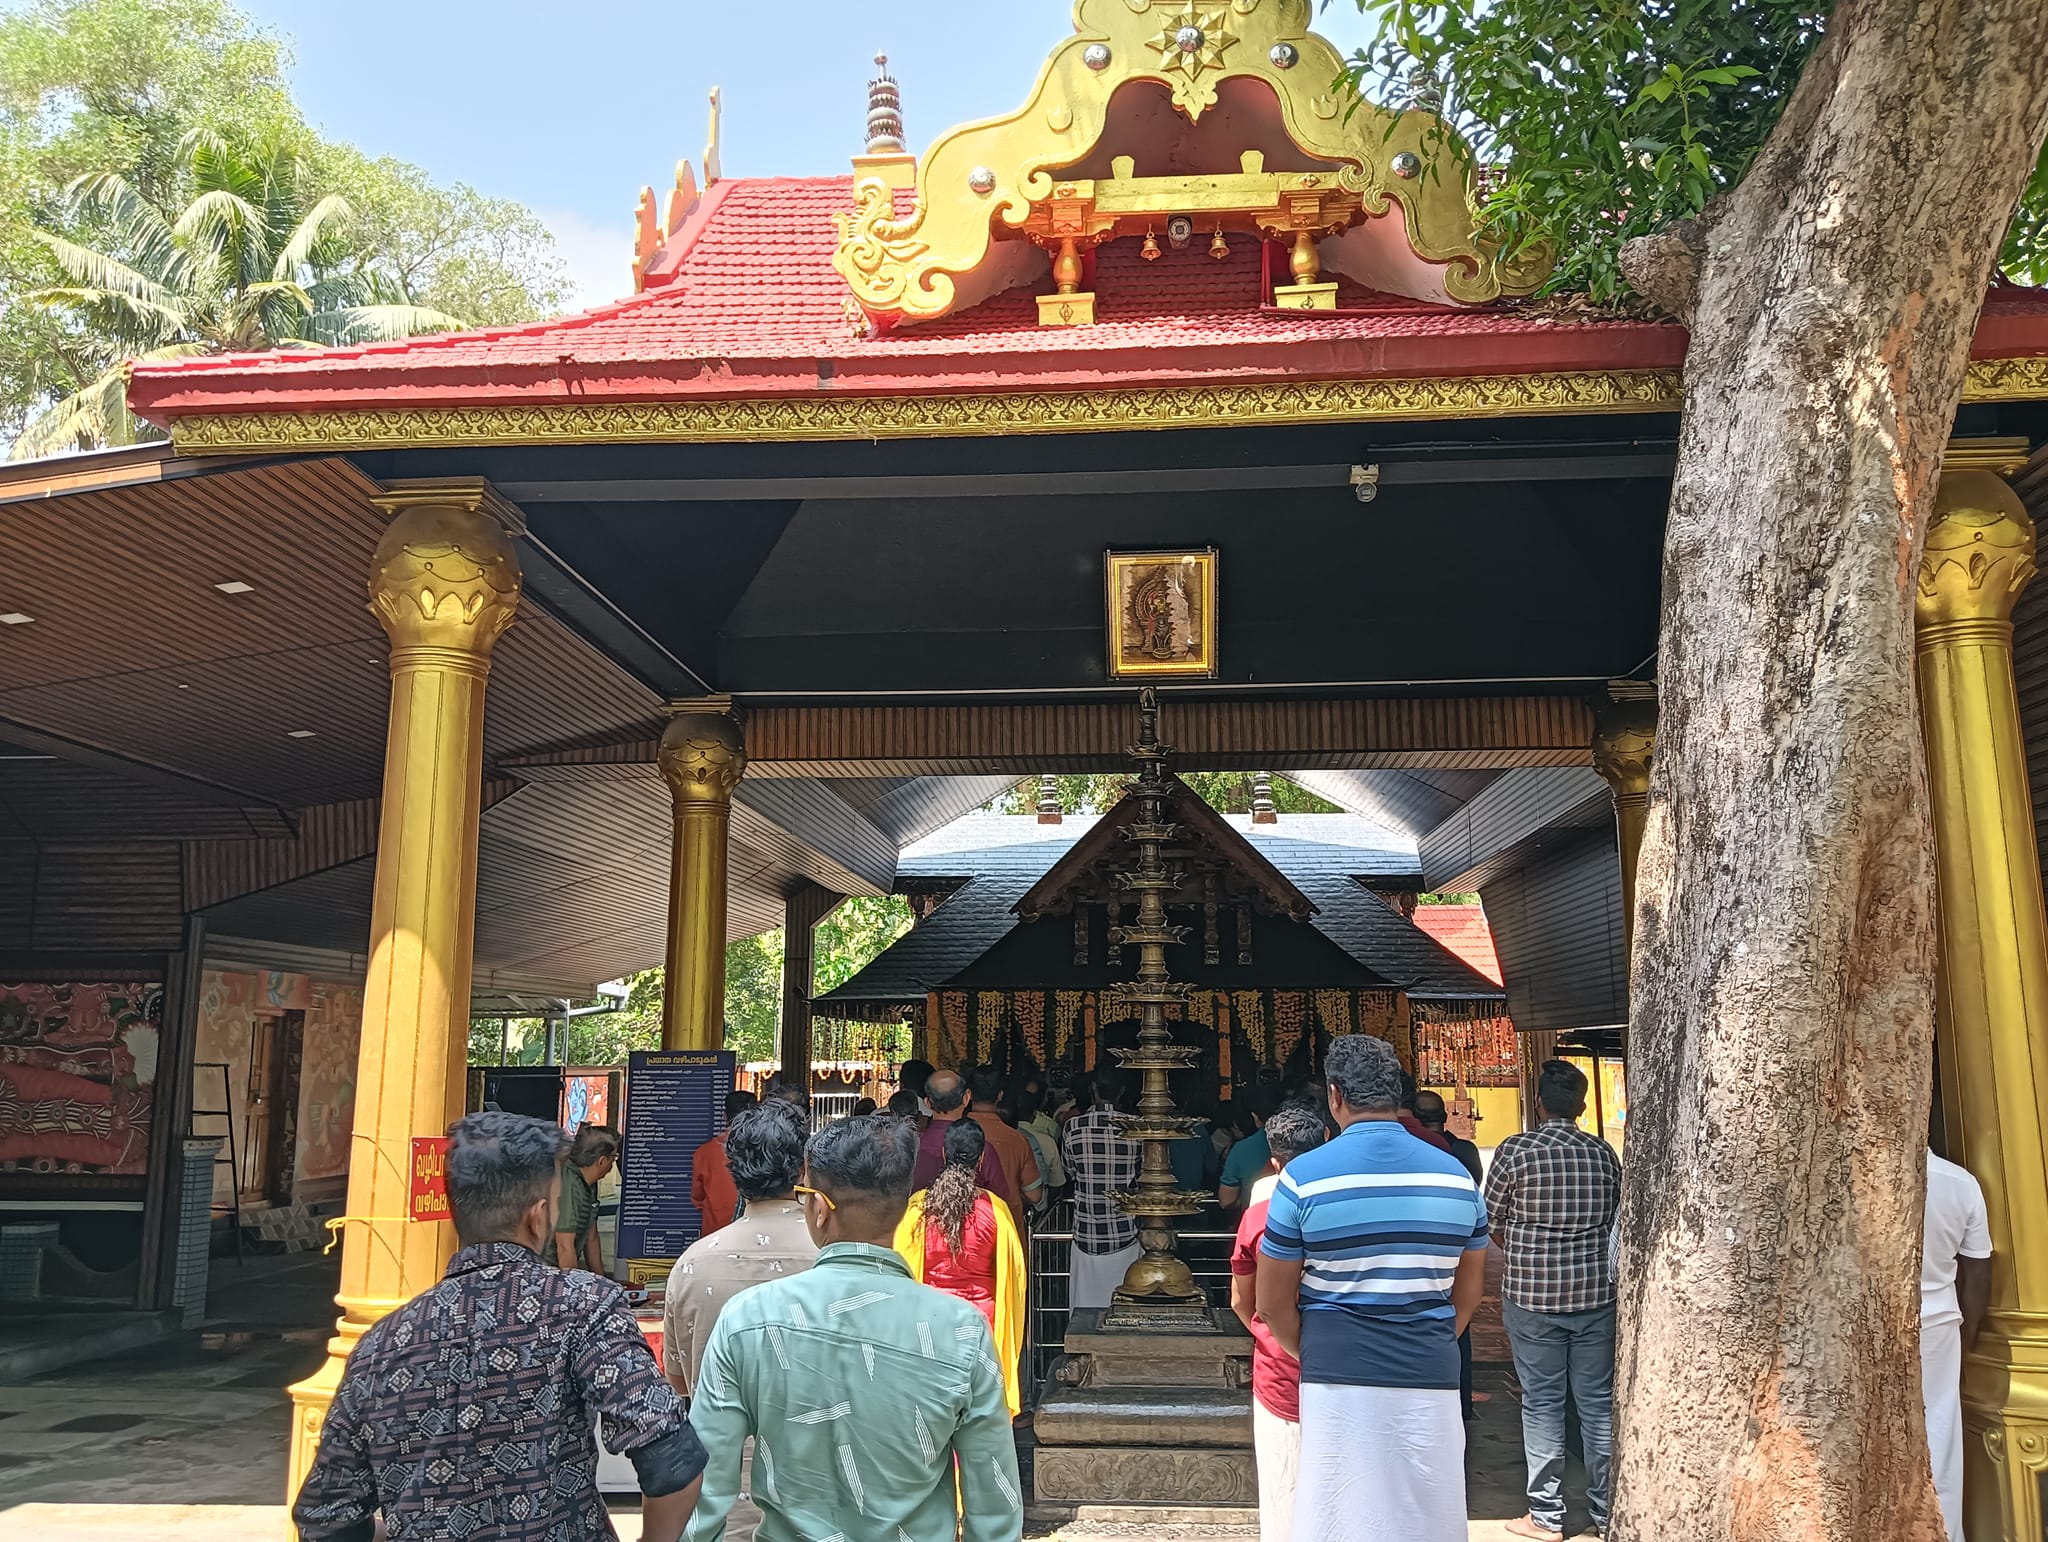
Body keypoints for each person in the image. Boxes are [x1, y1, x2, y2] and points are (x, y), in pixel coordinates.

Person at [295, 1111, 705, 1542]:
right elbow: (672, 1460)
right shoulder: (583, 1307)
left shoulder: (380, 1345)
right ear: (538, 1216)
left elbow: (326, 1519)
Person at [685, 1114, 1024, 1542]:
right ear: (903, 1206)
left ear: (820, 1208)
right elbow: (993, 1502)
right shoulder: (961, 1330)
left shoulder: (747, 1319)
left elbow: (703, 1485)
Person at [1256, 1036, 1487, 1542]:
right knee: (1424, 1510)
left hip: (1335, 1369)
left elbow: (1271, 1304)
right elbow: (1468, 1295)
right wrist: (1428, 1335)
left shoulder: (1301, 1180)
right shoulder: (1458, 1178)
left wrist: (1314, 1348)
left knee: (1339, 1511)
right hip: (1430, 1365)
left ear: (1334, 1096)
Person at [661, 1099, 817, 1542]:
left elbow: (680, 1382)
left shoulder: (692, 1266)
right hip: (819, 1496)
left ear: (733, 1171)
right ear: (803, 1167)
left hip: (717, 1497)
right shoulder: (831, 1261)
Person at [1483, 1059, 1624, 1541]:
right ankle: (1608, 1513)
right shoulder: (1604, 1155)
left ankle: (1546, 1517)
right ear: (1582, 1105)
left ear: (1538, 1103)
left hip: (1532, 1298)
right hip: (1595, 1297)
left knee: (1541, 1404)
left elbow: (1491, 1220)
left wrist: (1527, 1253)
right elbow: (1614, 1226)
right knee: (1598, 1404)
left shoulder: (1515, 1151)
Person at [1229, 1101, 1327, 1542]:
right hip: (1349, 1366)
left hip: (1279, 1374)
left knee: (1283, 1489)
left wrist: (1273, 1337)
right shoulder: (1348, 1207)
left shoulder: (1258, 1214)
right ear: (1326, 1141)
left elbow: (1242, 1302)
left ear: (1273, 1162)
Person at [894, 1117, 1027, 1415]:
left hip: (930, 1323)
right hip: (984, 1324)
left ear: (943, 1154)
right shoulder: (995, 1209)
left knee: (934, 1413)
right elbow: (1014, 1275)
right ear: (981, 1158)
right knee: (978, 1416)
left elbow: (898, 1269)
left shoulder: (918, 1207)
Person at [1922, 1148, 1992, 1542]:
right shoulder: (1959, 1182)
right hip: (1938, 1323)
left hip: (1864, 1324)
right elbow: (1979, 1269)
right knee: (1941, 1433)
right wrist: (1969, 1339)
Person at [1414, 1088, 1487, 1420]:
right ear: (1445, 1118)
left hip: (1422, 1248)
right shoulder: (1464, 1151)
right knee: (1459, 1323)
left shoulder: (1416, 1150)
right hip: (1457, 1244)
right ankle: (1461, 1402)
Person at [1062, 1066, 1142, 1310]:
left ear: (1092, 1090)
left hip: (1086, 1232)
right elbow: (1144, 1175)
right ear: (1122, 1092)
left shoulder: (1073, 1127)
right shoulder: (1136, 1129)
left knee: (1084, 1310)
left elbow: (1070, 1172)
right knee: (1125, 1309)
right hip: (1125, 1233)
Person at [911, 1068, 1011, 1203]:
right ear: (966, 1097)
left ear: (927, 1103)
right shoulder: (982, 1149)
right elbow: (1000, 1200)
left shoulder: (909, 1145)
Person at [967, 1063, 1044, 1226]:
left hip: (964, 1234)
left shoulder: (953, 1135)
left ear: (969, 1095)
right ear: (1000, 1095)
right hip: (1007, 1231)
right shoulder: (1017, 1139)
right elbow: (1035, 1195)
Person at [556, 1122, 620, 1273]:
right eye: (614, 1157)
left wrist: (601, 1283)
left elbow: (591, 1236)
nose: (614, 1163)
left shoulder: (590, 1182)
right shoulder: (569, 1184)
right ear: (602, 1161)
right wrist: (574, 1290)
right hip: (546, 1272)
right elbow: (564, 1245)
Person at [692, 1089, 756, 1232]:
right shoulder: (766, 1151)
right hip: (753, 1234)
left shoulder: (704, 1153)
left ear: (724, 1116)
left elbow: (697, 1199)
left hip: (714, 1235)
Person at [1219, 1082, 1285, 1210]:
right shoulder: (1304, 1143)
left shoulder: (1240, 1150)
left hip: (1253, 1222)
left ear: (1254, 1117)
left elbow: (1226, 1201)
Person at [1015, 1082, 1068, 1197]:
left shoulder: (1004, 1138)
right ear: (1034, 1113)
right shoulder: (1047, 1141)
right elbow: (1057, 1183)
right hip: (1039, 1204)